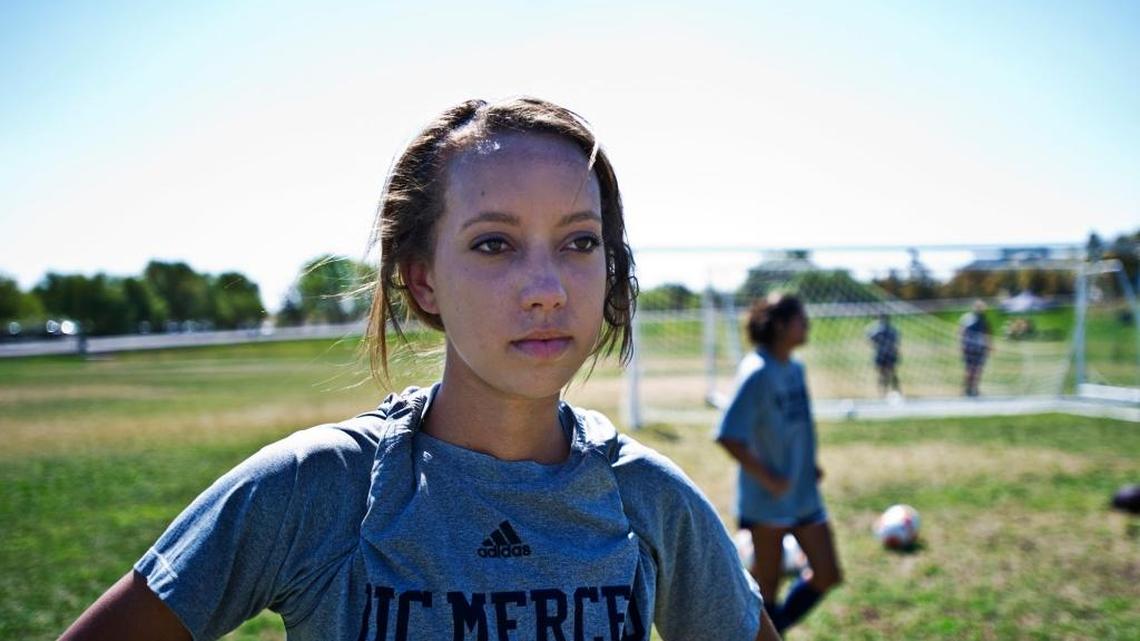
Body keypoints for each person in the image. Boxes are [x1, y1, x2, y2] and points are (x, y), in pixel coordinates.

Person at [59, 97, 780, 641]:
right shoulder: (318, 488)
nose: (547, 288)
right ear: (423, 279)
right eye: (494, 244)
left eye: (580, 242)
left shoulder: (650, 500)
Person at [716, 294, 842, 635]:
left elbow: (794, 425)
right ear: (782, 325)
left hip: (803, 494)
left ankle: (771, 632)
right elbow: (728, 435)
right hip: (767, 501)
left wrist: (808, 463)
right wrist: (769, 478)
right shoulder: (756, 372)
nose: (807, 324)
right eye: (801, 318)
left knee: (828, 573)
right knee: (767, 589)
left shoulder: (796, 369)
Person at [959, 300, 992, 397]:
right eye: (979, 307)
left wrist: (989, 345)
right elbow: (961, 332)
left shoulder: (984, 320)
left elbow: (987, 334)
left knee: (978, 370)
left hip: (980, 348)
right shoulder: (967, 318)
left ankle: (975, 388)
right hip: (970, 347)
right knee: (970, 369)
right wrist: (962, 345)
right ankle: (967, 389)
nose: (981, 309)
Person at [865, 313, 900, 397]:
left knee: (890, 373)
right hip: (883, 354)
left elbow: (870, 339)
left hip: (887, 354)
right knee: (884, 373)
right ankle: (884, 392)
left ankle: (891, 391)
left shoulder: (890, 329)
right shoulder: (877, 329)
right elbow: (870, 339)